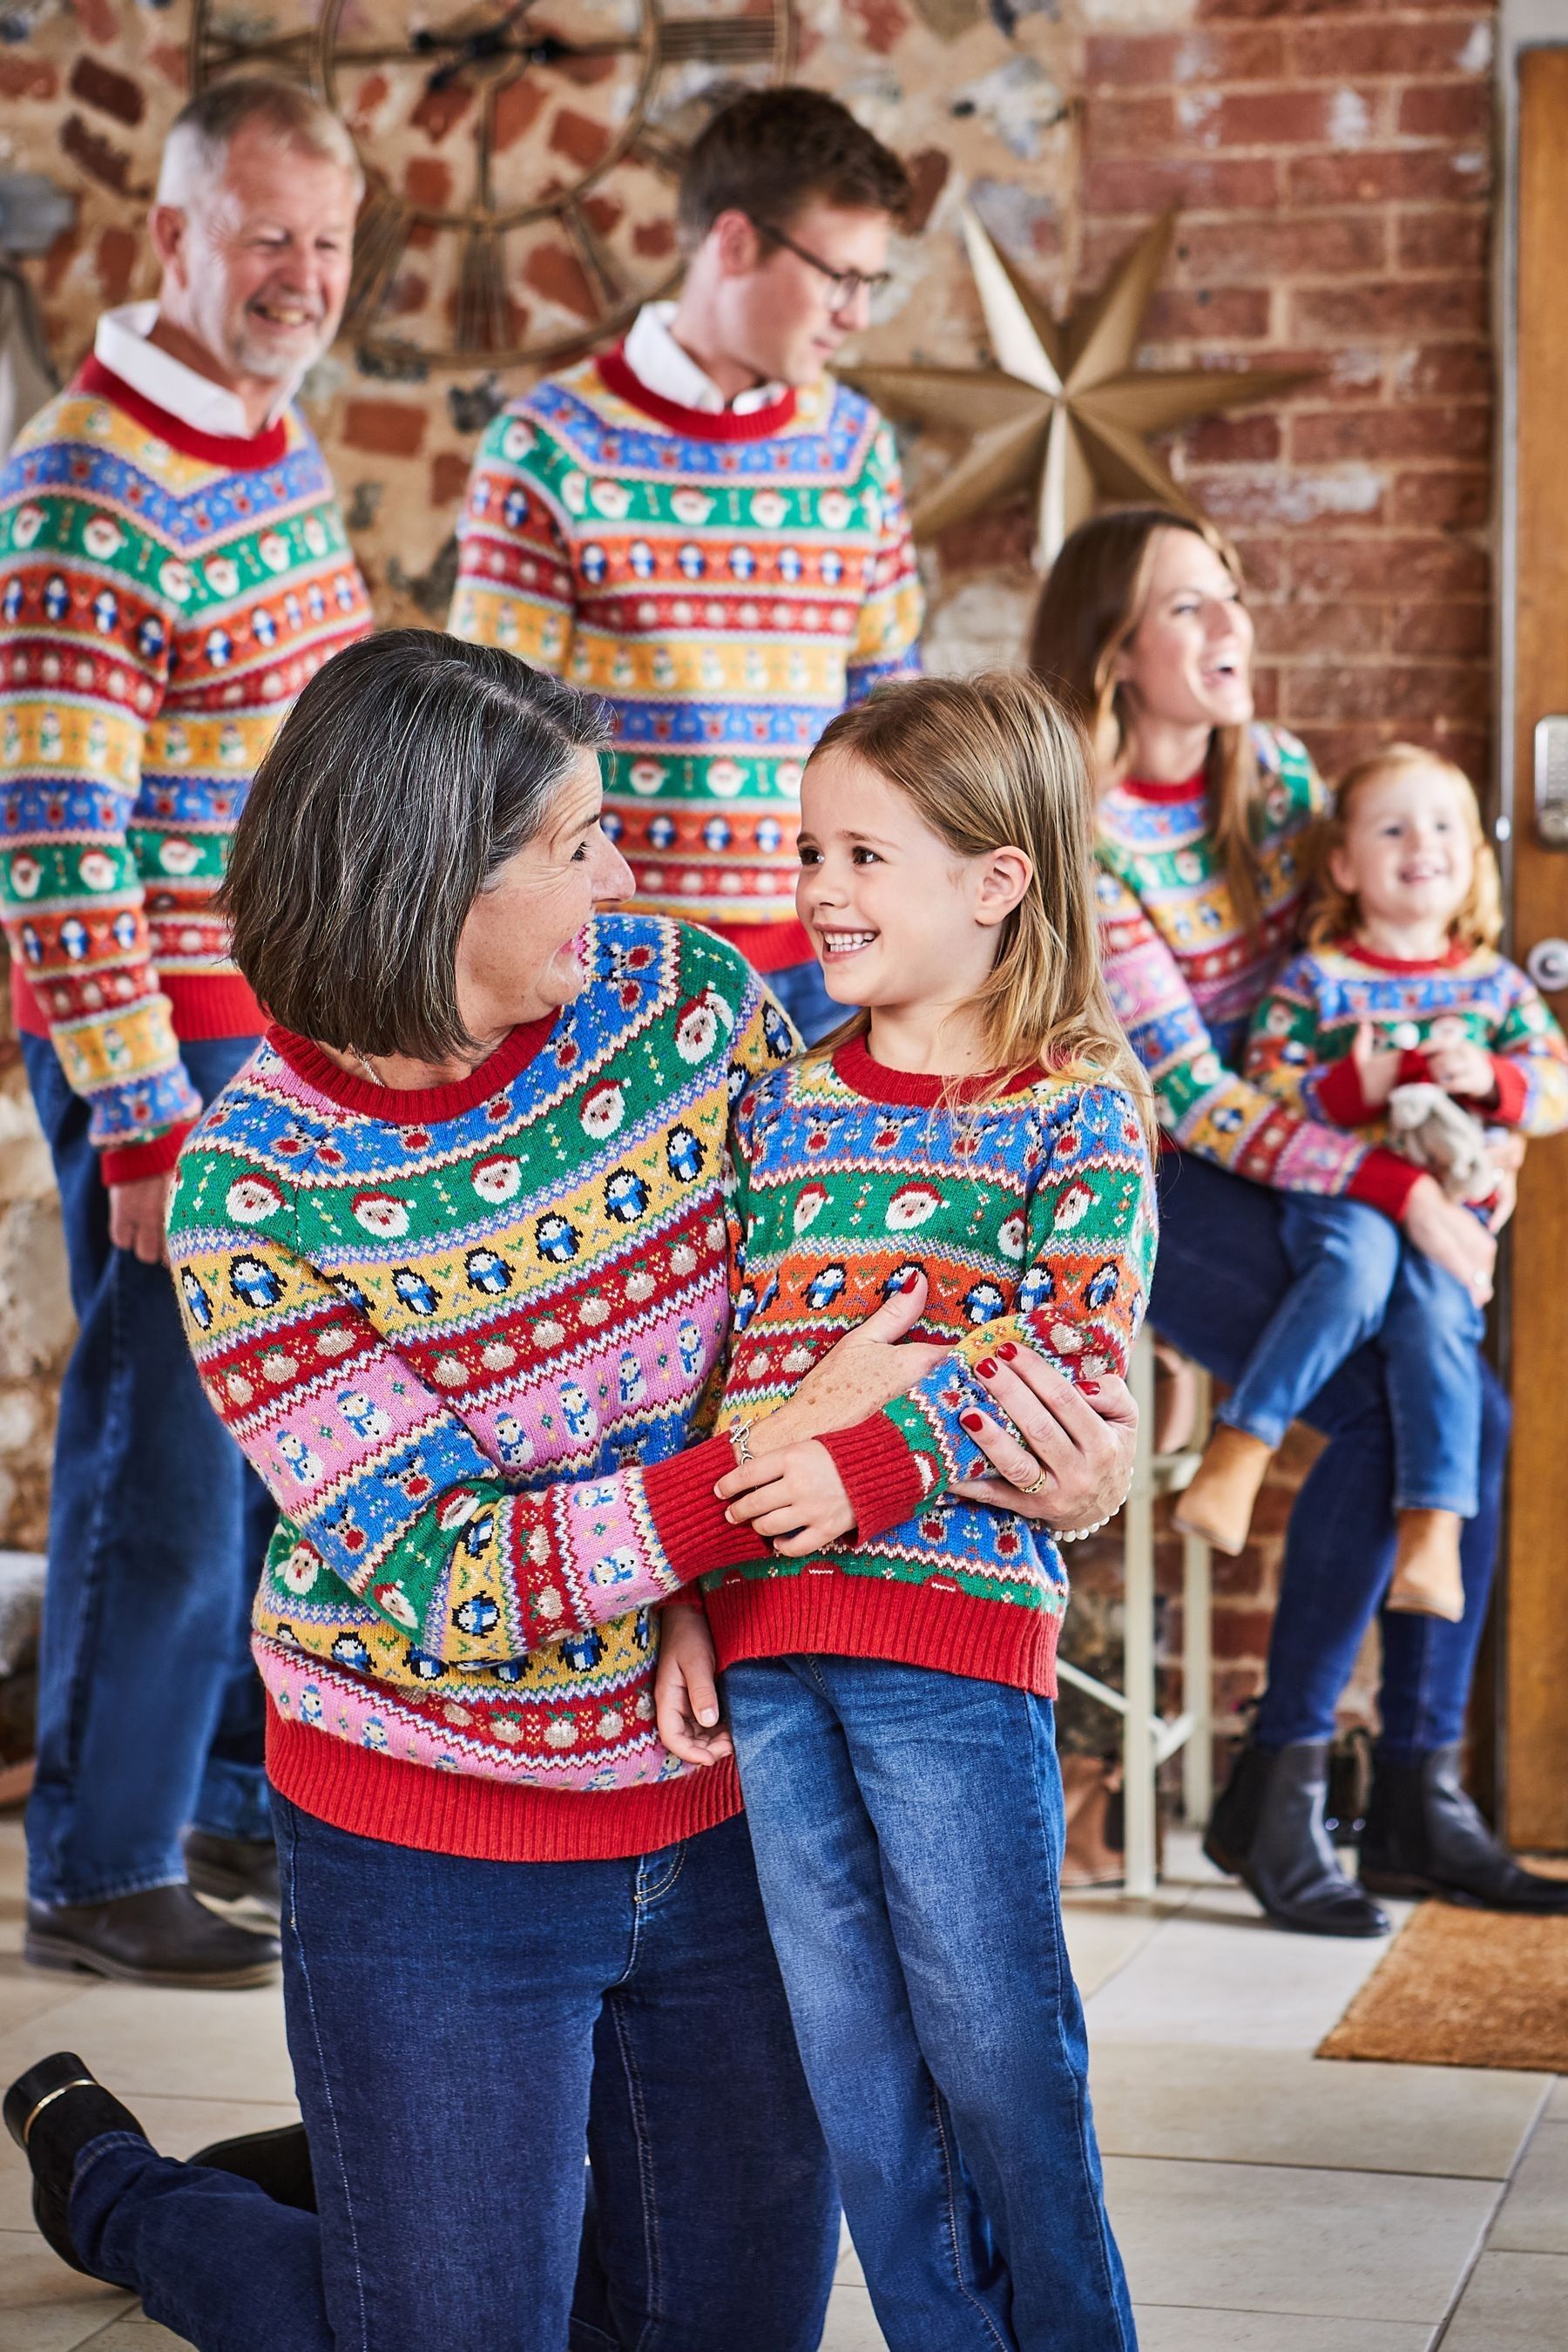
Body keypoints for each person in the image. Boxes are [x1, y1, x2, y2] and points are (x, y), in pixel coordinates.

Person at [3, 633, 1139, 2352]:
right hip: (437, 1832)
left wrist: (1083, 1461)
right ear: (436, 874)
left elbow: (885, 1270)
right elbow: (453, 1575)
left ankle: (404, 2169)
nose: (622, 869)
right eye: (576, 839)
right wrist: (768, 1476)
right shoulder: (254, 1185)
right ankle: (125, 2185)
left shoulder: (690, 1008)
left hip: (718, 1793)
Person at [656, 672, 1152, 2351]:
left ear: (996, 880)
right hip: (768, 1653)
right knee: (857, 2068)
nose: (820, 888)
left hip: (950, 1647)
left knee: (1001, 2049)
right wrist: (687, 1582)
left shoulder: (1074, 1111)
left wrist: (861, 1464)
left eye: (866, 854)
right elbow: (716, 1361)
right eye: (810, 849)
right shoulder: (775, 1106)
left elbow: (1066, 1349)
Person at [1030, 506, 1568, 1933]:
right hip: (1170, 1182)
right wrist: (1394, 1185)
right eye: (1191, 609)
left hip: (1327, 1150)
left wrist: (1474, 1140)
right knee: (1404, 1422)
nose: (1233, 630)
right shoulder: (1081, 836)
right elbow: (1195, 1100)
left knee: (1479, 1423)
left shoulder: (1272, 784)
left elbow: (1370, 987)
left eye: (1233, 599)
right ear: (1114, 653)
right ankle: (1281, 1789)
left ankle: (1411, 1798)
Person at [0, 78, 371, 1984]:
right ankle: (99, 1856)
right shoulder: (89, 474)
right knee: (161, 1450)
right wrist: (141, 1114)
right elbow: (53, 829)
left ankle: (222, 1805)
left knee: (268, 1450)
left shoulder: (268, 439)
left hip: (284, 1030)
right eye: (266, 238)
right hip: (173, 1045)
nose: (301, 277)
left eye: (327, 240)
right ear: (175, 239)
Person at [448, 84, 923, 1044]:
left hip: (836, 963)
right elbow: (490, 741)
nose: (856, 314)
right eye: (841, 276)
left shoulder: (854, 447)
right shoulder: (548, 445)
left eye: (870, 282)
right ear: (737, 242)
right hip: (621, 968)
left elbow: (891, 712)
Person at [1177, 744, 1568, 1617]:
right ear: (1347, 866)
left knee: (1437, 1321)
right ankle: (1242, 1447)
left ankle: (1433, 1528)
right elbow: (1271, 1088)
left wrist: (1492, 1082)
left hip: (1450, 1210)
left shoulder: (1494, 987)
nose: (1419, 842)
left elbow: (1554, 1085)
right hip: (1344, 1199)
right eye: (1392, 827)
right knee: (1349, 1273)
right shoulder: (1316, 982)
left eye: (1442, 826)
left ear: (1473, 858)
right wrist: (1377, 1078)